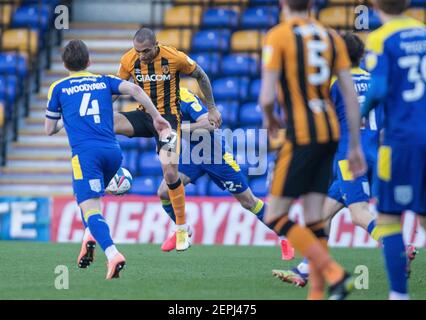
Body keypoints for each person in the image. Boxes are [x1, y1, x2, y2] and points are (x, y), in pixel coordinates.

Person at [272, 32, 417, 287]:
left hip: (350, 158)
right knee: (323, 214)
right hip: (374, 153)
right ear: (361, 56)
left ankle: (397, 248)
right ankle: (306, 269)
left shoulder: (334, 83)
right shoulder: (374, 80)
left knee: (358, 213)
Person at [260, 0, 366, 300]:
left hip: (302, 134)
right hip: (332, 133)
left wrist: (270, 119)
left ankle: (334, 273)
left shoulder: (279, 35)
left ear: (283, 3)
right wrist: (355, 145)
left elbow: (267, 96)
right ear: (310, 4)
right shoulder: (332, 37)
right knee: (315, 217)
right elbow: (349, 91)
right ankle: (317, 292)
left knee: (275, 216)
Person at [45, 39, 171, 279]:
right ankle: (88, 236)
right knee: (87, 201)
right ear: (89, 61)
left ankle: (113, 254)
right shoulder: (102, 80)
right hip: (113, 153)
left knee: (90, 206)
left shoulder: (58, 88)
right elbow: (135, 89)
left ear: (64, 63)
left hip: (86, 156)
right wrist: (156, 117)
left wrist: (67, 116)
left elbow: (49, 129)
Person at [113, 28, 222, 251]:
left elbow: (201, 75)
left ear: (156, 45)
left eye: (145, 51)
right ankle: (110, 171)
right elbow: (116, 91)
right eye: (138, 51)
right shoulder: (128, 59)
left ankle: (182, 229)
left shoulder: (174, 57)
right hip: (145, 116)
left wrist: (211, 108)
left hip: (169, 121)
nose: (141, 55)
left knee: (170, 173)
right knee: (107, 121)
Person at [361, 0, 426, 300]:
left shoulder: (381, 37)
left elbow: (378, 88)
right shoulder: (423, 31)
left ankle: (399, 295)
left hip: (400, 140)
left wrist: (362, 110)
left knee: (388, 218)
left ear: (375, 4)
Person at [157, 87, 272, 251]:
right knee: (163, 191)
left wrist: (180, 129)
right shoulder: (156, 101)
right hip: (193, 155)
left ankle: (285, 236)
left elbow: (211, 124)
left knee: (249, 202)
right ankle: (181, 229)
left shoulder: (183, 96)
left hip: (216, 155)